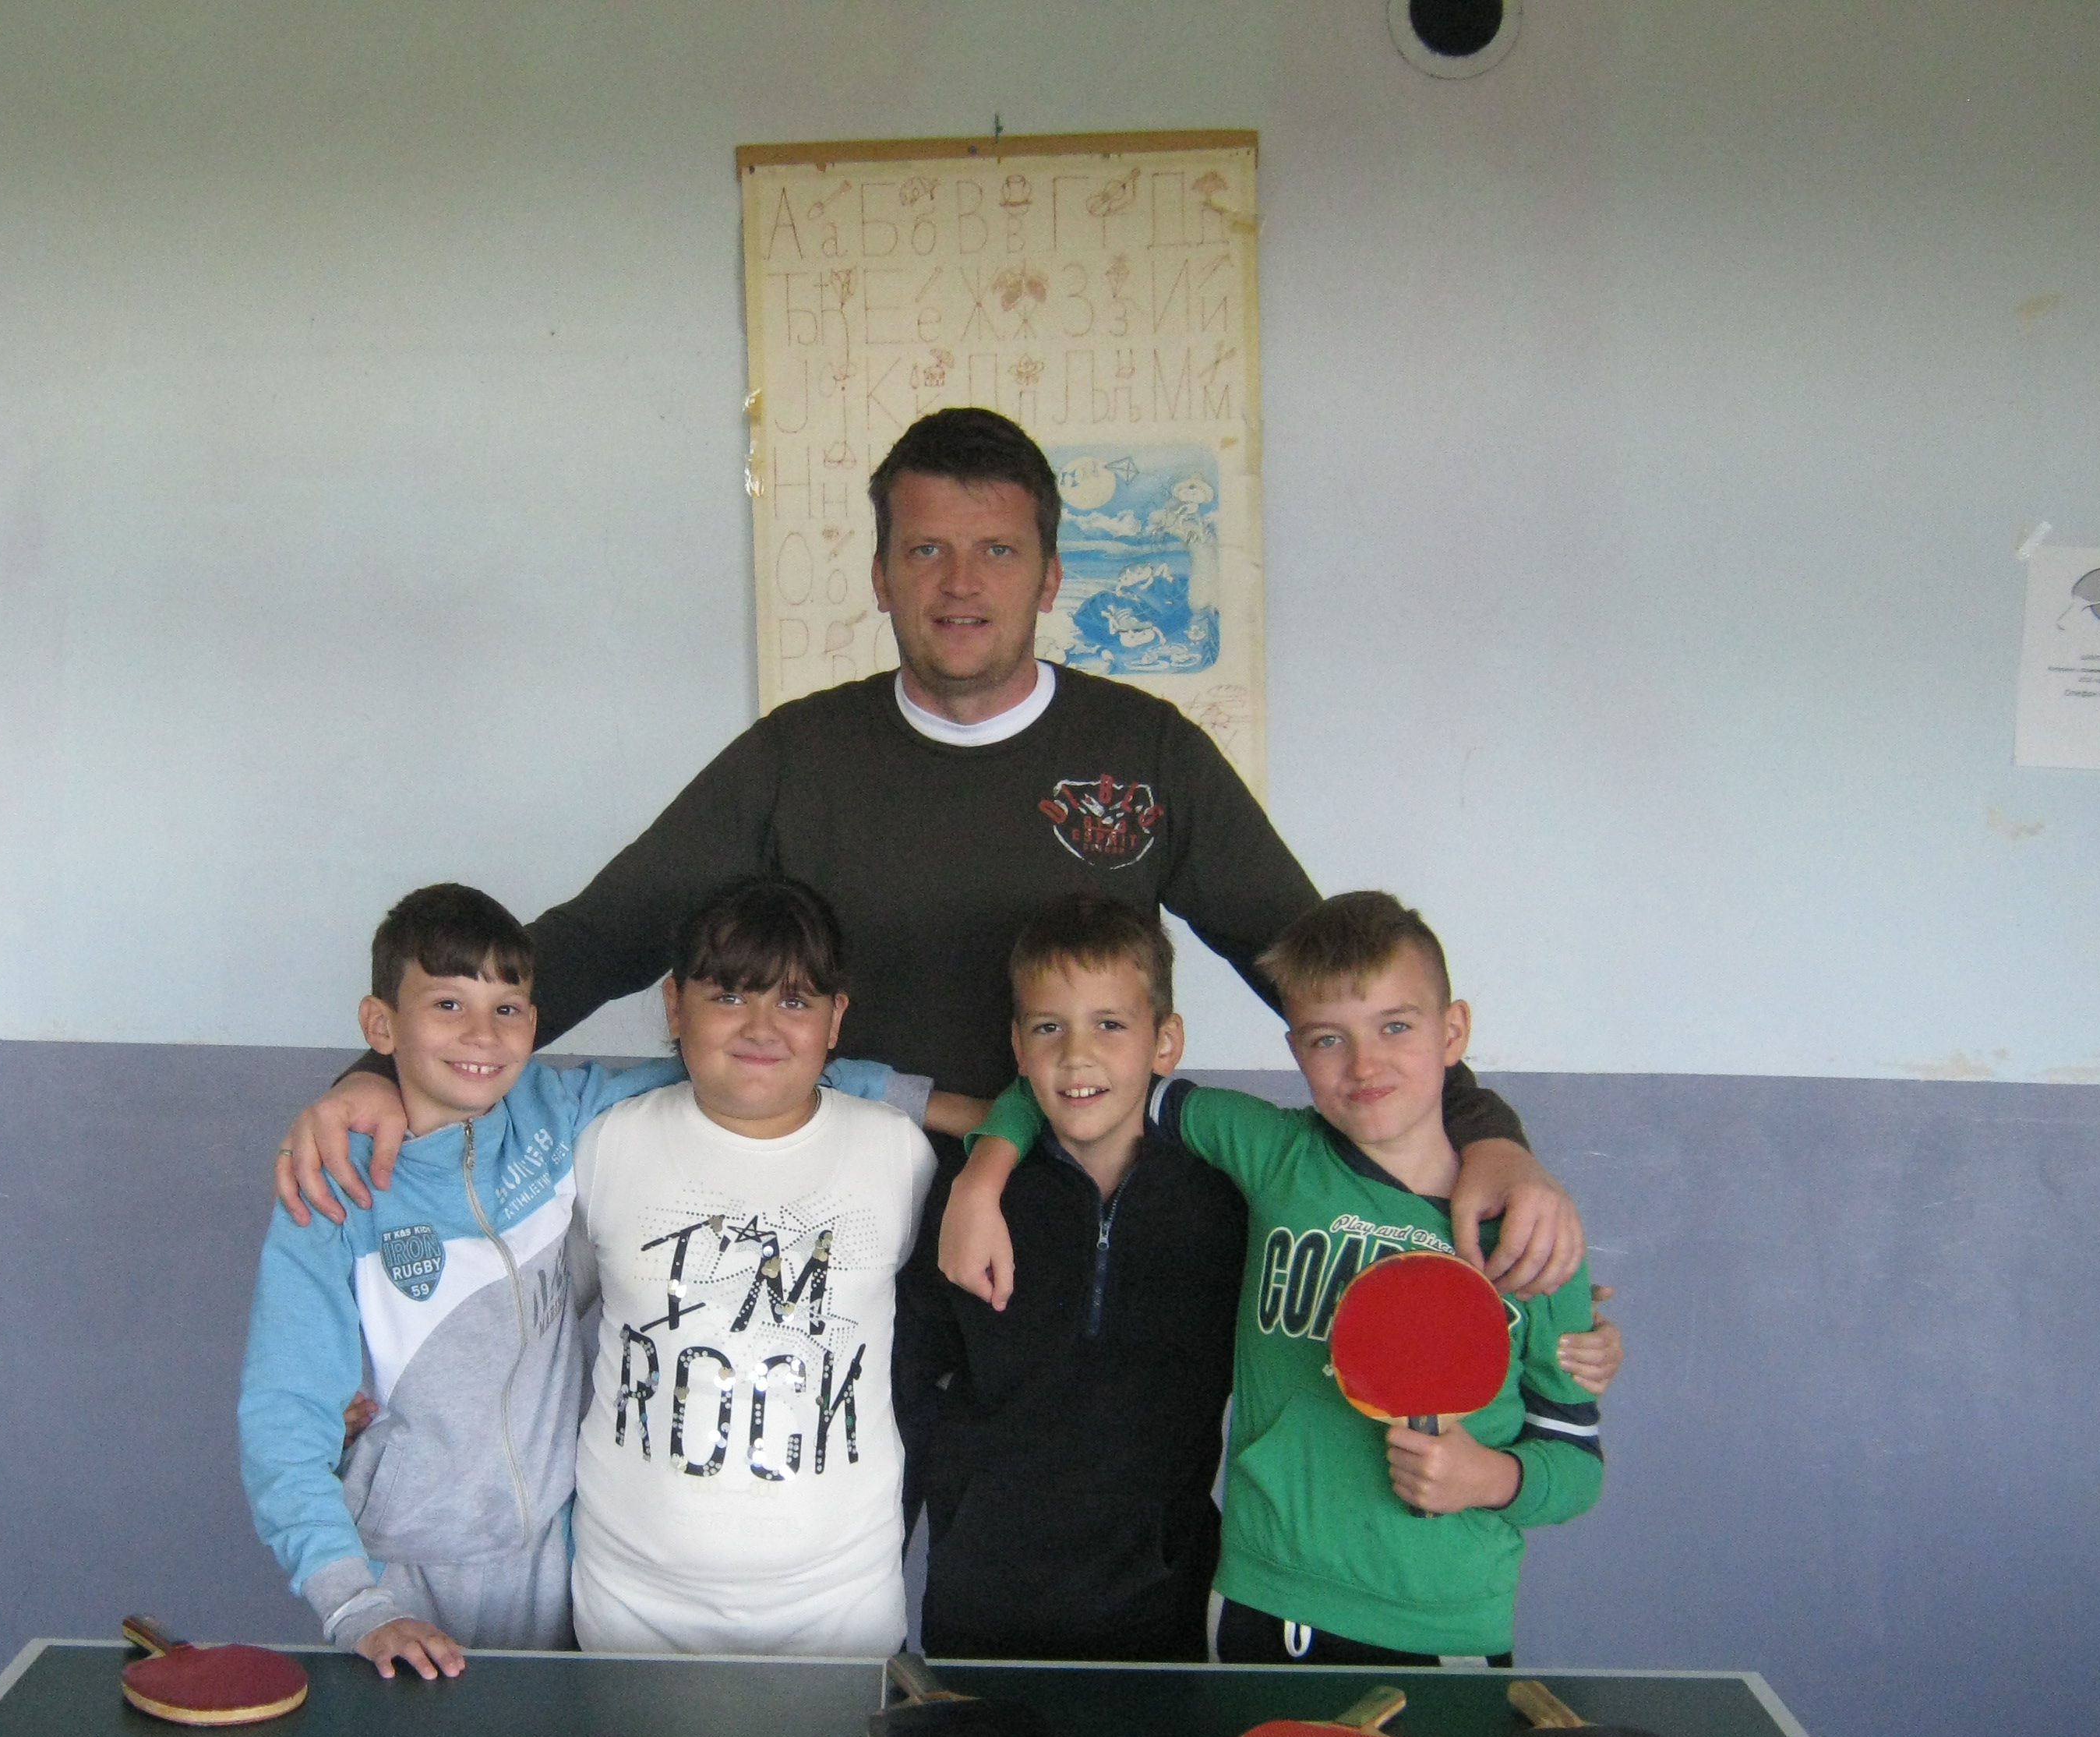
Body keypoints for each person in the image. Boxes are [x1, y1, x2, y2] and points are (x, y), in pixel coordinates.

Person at [272, 407, 1584, 1311]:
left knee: (1057, 1588)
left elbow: (1328, 975)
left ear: (1050, 575)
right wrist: (382, 1076)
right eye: (927, 551)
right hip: (836, 1221)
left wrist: (1485, 1135)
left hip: (1080, 1222)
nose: (961, 583)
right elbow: (600, 933)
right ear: (881, 575)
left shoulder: (1147, 755)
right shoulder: (797, 755)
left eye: (997, 550)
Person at [235, 884, 926, 1681]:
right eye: (448, 1005)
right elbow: (284, 1413)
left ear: (534, 1023)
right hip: (406, 1566)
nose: (481, 1035)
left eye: (506, 1009)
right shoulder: (334, 1187)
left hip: (556, 1559)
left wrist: (983, 1123)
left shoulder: (555, 1119)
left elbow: (741, 1074)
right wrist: (354, 1603)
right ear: (380, 1025)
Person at [948, 891, 1606, 1665]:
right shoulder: (1271, 1153)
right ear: (1295, 1049)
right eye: (1329, 1039)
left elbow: (1576, 1466)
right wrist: (981, 1177)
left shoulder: (1534, 1238)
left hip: (1447, 1624)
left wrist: (1490, 1478)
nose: (1364, 1065)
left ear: (1452, 1031)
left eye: (1396, 1026)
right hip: (1260, 1603)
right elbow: (1081, 1081)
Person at [568, 878, 935, 1655]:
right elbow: (531, 1322)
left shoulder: (897, 1153)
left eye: (795, 1001)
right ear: (675, 1006)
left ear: (836, 1019)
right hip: (630, 1600)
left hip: (840, 1604)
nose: (762, 1027)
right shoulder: (608, 1145)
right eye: (730, 995)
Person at [893, 894, 1240, 1661]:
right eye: (1050, 1028)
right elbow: (909, 1392)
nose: (1076, 1055)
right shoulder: (967, 1201)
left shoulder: (1223, 1206)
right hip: (981, 1603)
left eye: (1109, 1024)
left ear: (1166, 1041)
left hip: (1159, 1607)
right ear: (1019, 1047)